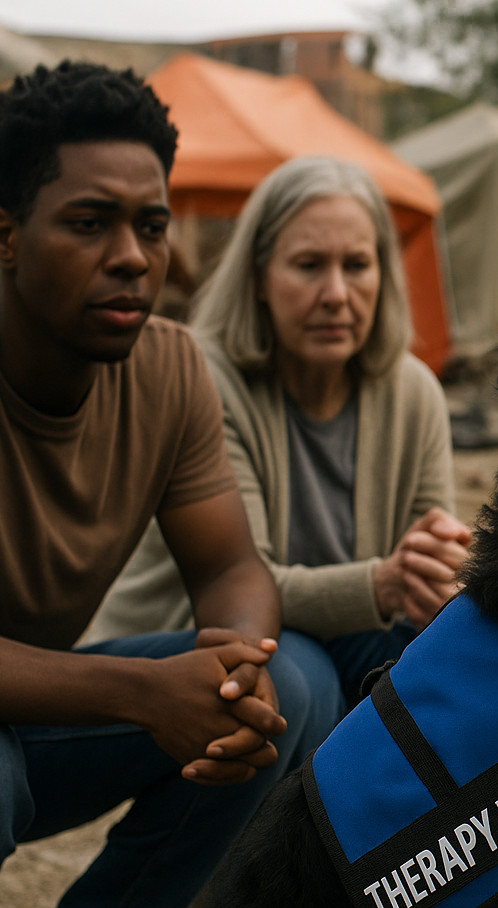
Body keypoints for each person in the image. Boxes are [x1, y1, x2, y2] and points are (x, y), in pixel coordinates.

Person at [0, 62, 343, 908]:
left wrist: (236, 673)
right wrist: (138, 692)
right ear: (5, 234)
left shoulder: (168, 368)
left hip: (36, 710)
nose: (132, 256)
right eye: (90, 224)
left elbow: (231, 568)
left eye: (152, 226)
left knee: (289, 687)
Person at [88, 156, 470, 709]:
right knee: (300, 670)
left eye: (357, 265)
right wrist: (383, 585)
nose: (337, 294)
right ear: (260, 278)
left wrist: (437, 570)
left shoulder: (414, 391)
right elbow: (241, 583)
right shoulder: (204, 379)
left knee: (443, 656)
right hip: (187, 644)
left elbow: (424, 577)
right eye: (309, 265)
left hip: (339, 642)